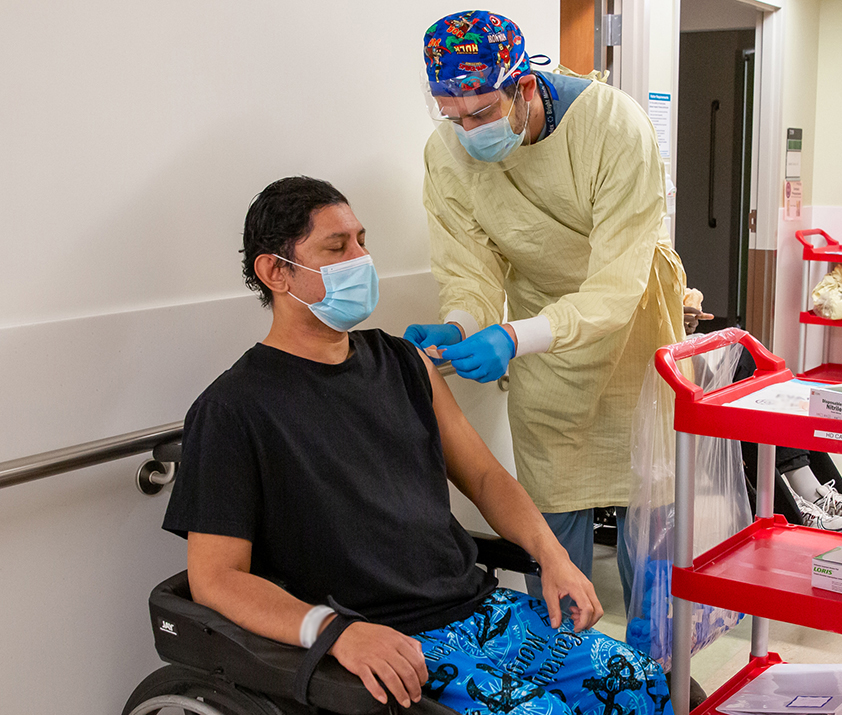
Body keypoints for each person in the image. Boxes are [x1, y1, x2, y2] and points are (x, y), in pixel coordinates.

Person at [161, 176, 673, 715]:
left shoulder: (405, 364)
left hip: (477, 609)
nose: (362, 258)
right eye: (337, 248)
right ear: (275, 272)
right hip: (382, 638)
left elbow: (485, 477)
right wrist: (335, 632)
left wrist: (554, 558)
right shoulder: (233, 410)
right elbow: (216, 578)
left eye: (362, 240)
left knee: (639, 680)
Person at [406, 10, 692, 616]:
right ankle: (560, 661)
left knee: (652, 507)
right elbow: (470, 270)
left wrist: (511, 337)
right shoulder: (448, 155)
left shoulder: (613, 126)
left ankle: (660, 666)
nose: (467, 131)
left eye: (481, 112)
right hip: (542, 341)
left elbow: (615, 289)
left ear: (525, 86)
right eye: (451, 115)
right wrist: (462, 322)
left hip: (633, 329)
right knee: (551, 506)